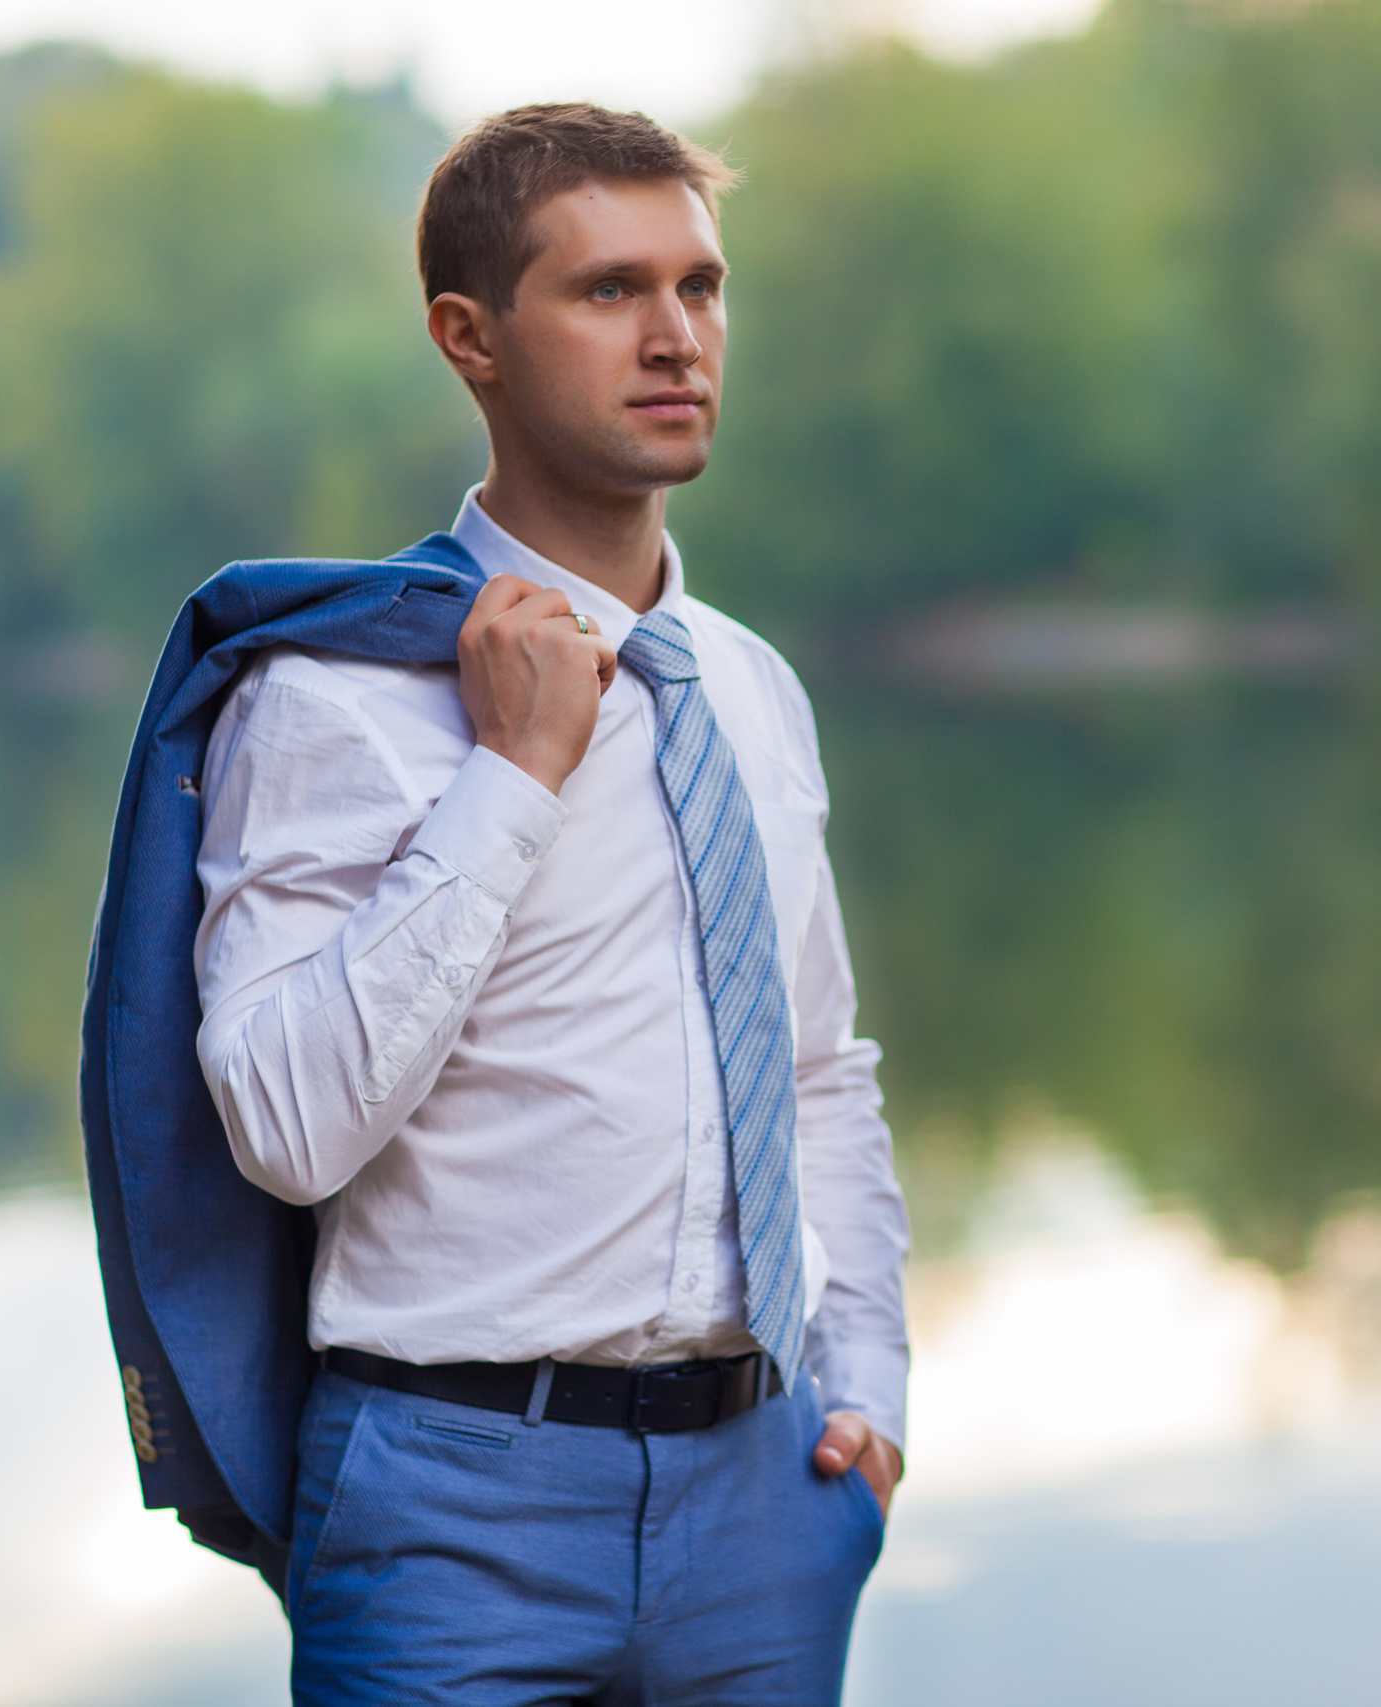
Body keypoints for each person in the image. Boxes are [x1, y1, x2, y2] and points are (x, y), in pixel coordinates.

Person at [76, 103, 907, 1705]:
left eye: (702, 287)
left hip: (765, 1506)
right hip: (452, 1509)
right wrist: (513, 779)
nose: (675, 338)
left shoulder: (751, 690)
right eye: (608, 291)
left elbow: (820, 1072)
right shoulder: (335, 696)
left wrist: (866, 1389)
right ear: (470, 338)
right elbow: (287, 1128)